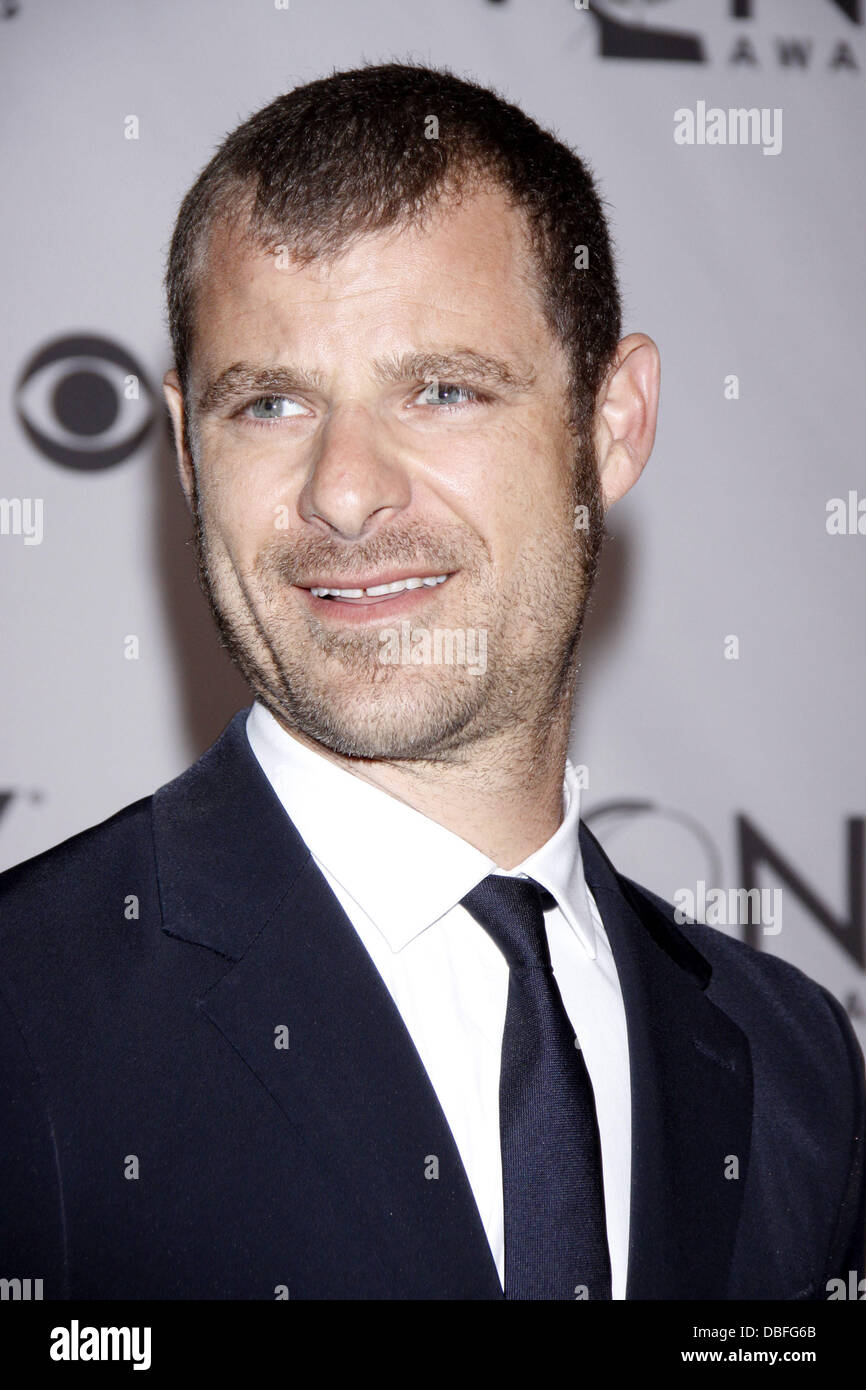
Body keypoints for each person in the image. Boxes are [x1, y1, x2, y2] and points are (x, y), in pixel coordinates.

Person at [1, 62, 862, 1302]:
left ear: (609, 426)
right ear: (187, 452)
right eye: (271, 402)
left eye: (442, 389)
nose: (343, 488)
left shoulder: (792, 1066)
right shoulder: (28, 1013)